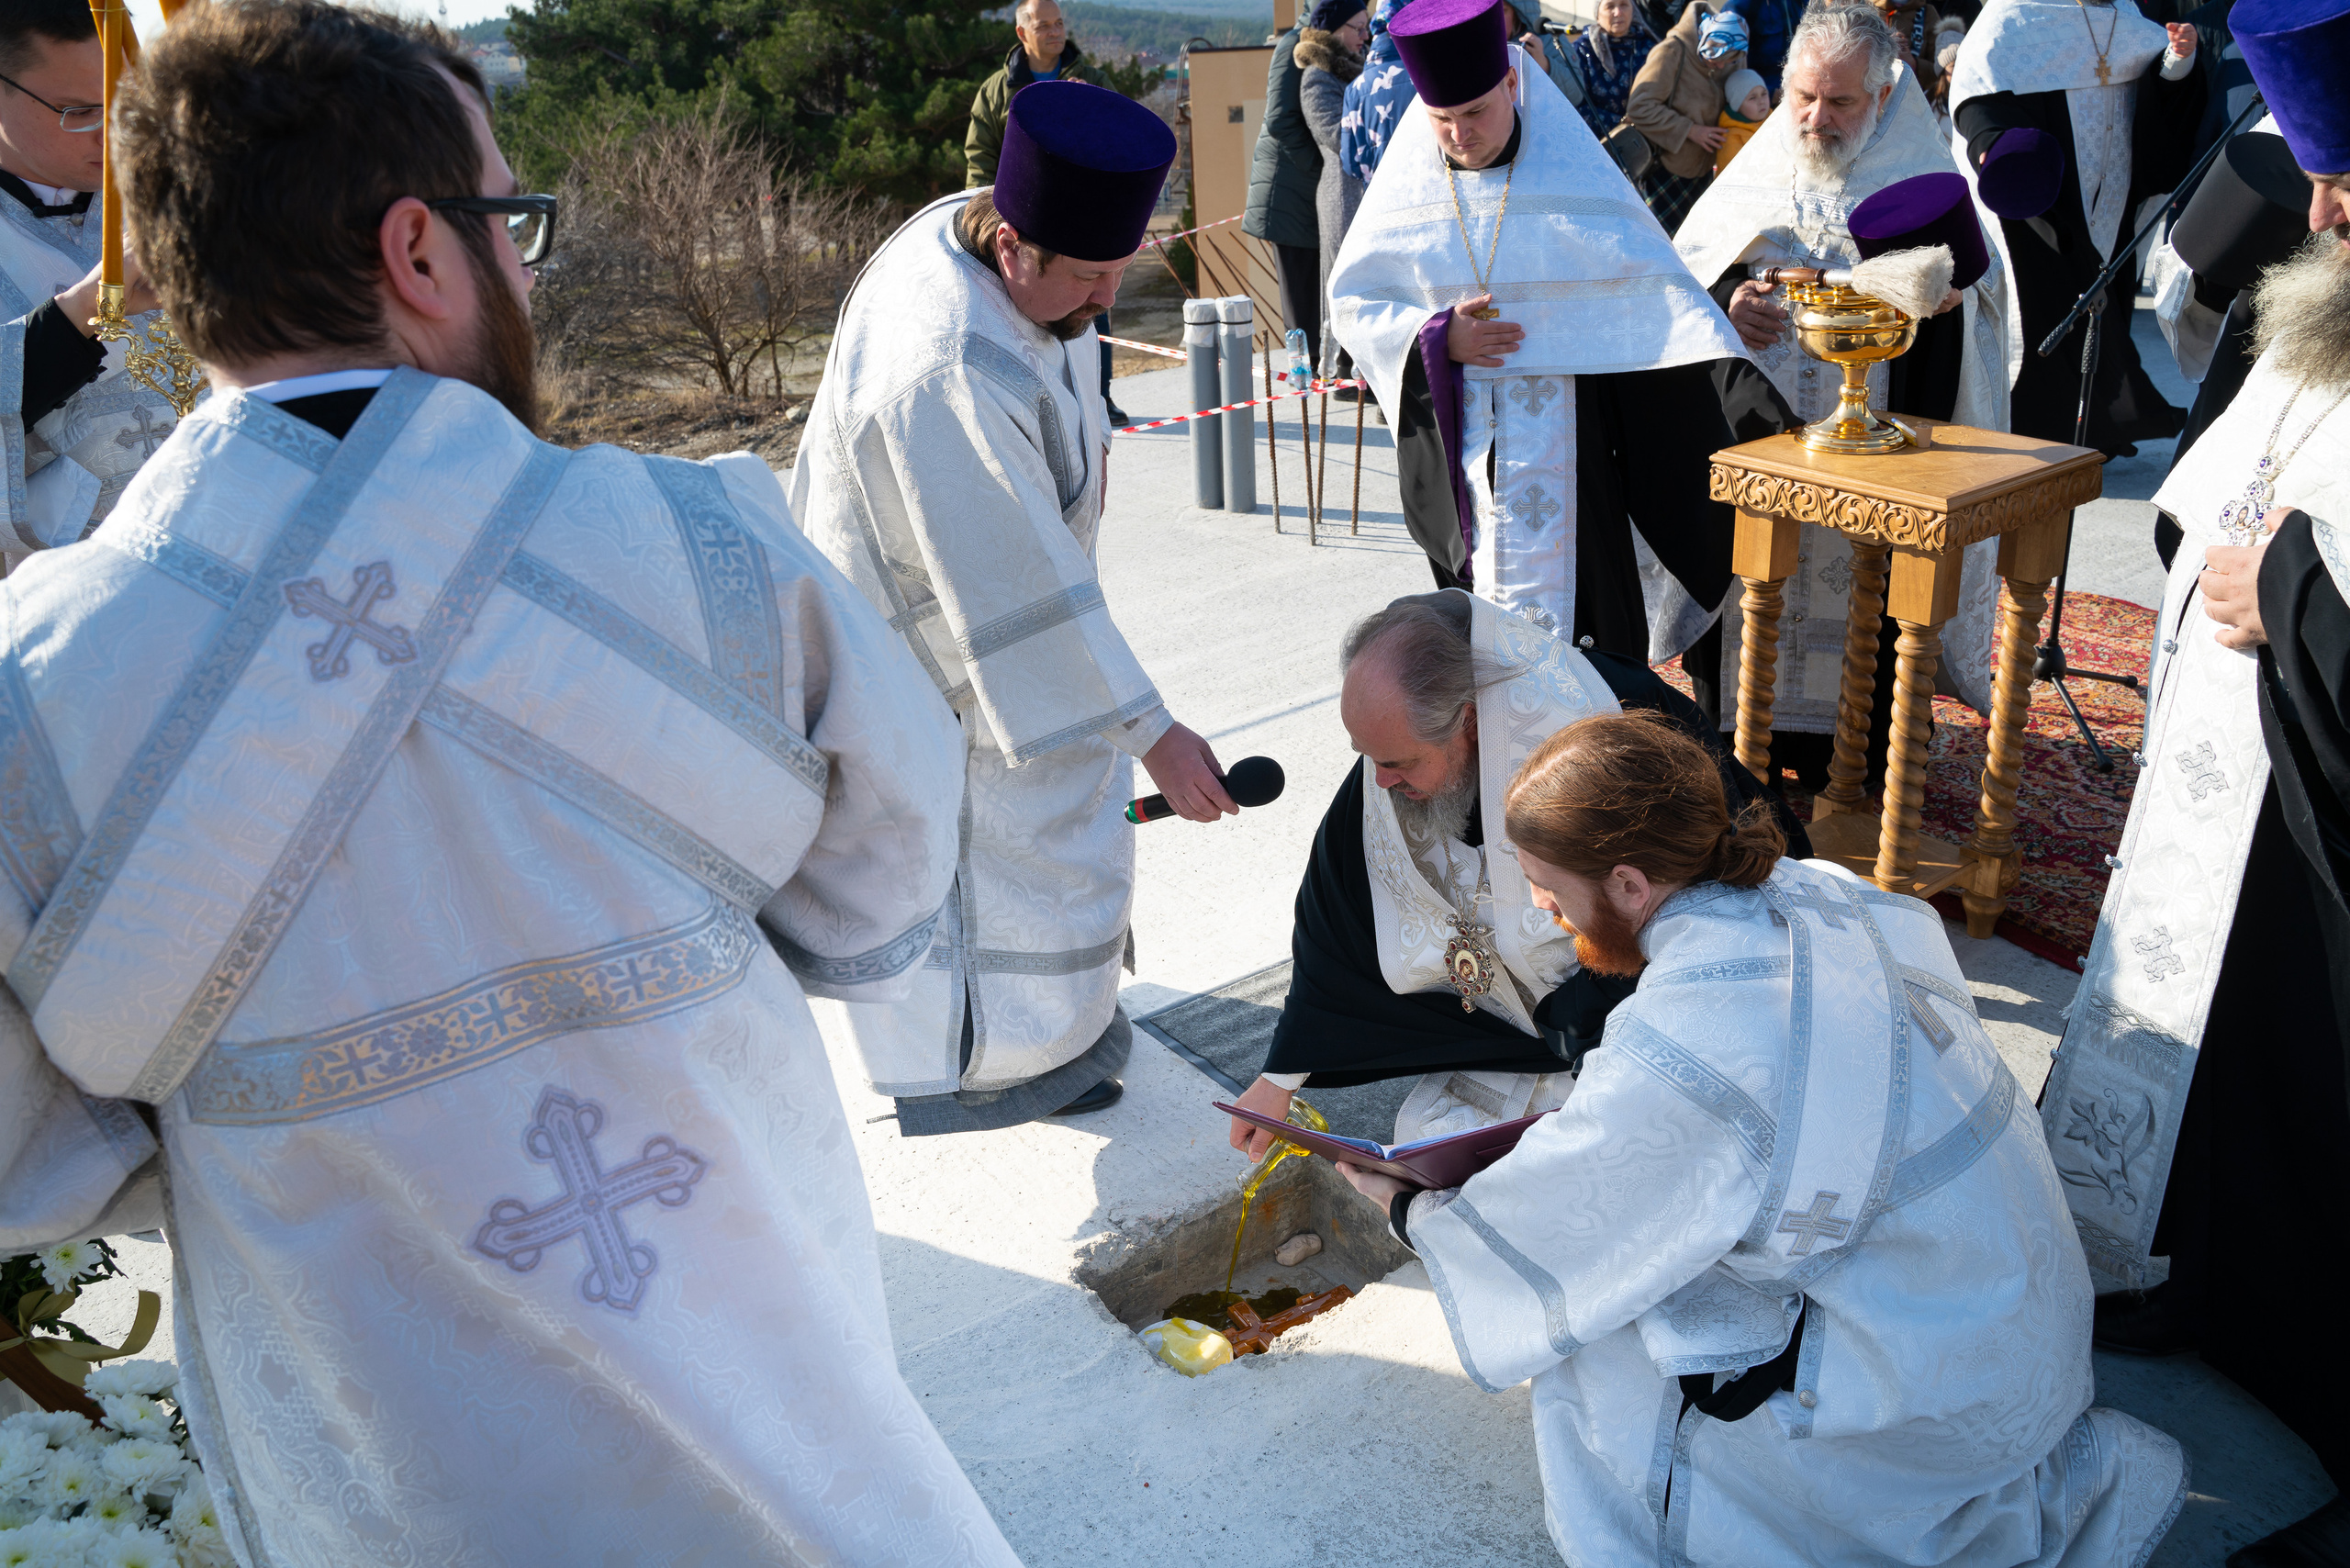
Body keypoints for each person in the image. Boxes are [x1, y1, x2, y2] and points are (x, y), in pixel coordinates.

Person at [0, 3, 1018, 1561]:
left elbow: (29, 1150)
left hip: (392, 1475)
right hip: (771, 1391)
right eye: (509, 223)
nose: (526, 270)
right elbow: (884, 885)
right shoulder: (702, 543)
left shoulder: (34, 681)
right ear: (420, 251)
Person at [1332, 707, 2188, 1567]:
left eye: (1547, 883)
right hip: (2016, 1334)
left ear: (1629, 885)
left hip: (1920, 1413)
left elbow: (1563, 1228)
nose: (1543, 907)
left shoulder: (1689, 1033)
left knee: (1591, 1328)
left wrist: (1419, 1214)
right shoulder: (1836, 891)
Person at [2049, 3, 2350, 1558]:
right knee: (2231, 1054)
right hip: (2250, 783)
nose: (2317, 216)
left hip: (2331, 810)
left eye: (2347, 193)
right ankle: (2219, 1291)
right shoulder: (2329, 293)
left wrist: (2287, 591)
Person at [793, 82, 1236, 1136]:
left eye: (1118, 264)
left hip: (1003, 609)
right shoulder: (945, 364)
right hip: (927, 653)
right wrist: (1152, 731)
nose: (1107, 297)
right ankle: (982, 1069)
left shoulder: (1016, 247)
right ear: (1012, 251)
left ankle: (1062, 1036)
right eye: (1088, 275)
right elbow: (1014, 584)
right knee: (990, 858)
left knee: (1055, 823)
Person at [1225, 590, 1808, 1158]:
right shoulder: (1399, 747)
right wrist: (1282, 1074)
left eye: (1398, 762)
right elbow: (1336, 907)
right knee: (1429, 1150)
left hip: (1631, 1009)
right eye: (1367, 757)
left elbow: (1701, 898)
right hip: (1506, 1025)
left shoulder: (1611, 720)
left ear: (1469, 721)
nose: (1378, 782)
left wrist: (1587, 1016)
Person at [1326, 0, 1785, 711]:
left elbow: (1659, 303)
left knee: (1593, 665)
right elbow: (1355, 303)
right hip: (1468, 482)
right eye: (1441, 119)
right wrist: (1440, 338)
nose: (1460, 134)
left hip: (1579, 476)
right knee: (1472, 664)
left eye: (1475, 112)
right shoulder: (1412, 183)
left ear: (1512, 84)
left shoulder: (1577, 178)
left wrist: (1752, 407)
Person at [1671, 3, 2009, 785]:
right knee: (1750, 598)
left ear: (1884, 98)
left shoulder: (1923, 174)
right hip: (1763, 451)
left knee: (1873, 611)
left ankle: (1853, 756)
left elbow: (1980, 312)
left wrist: (1940, 304)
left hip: (1880, 460)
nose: (1817, 119)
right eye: (1805, 99)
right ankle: (1739, 741)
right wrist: (1729, 299)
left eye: (1842, 102)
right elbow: (1687, 277)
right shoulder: (1760, 169)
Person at [1948, 0, 2205, 454]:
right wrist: (1991, 144)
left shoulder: (2123, 15)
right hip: (2046, 200)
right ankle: (2034, 438)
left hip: (2115, 192)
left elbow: (2160, 91)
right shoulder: (2012, 17)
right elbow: (1977, 94)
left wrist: (2177, 63)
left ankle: (2094, 431)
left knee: (2104, 305)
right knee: (2043, 309)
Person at [0, 0, 180, 571]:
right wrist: (83, 312)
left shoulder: (183, 198)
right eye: (78, 111)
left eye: (126, 105)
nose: (113, 133)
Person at [966, 0, 1126, 427]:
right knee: (1025, 311)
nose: (1056, 32)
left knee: (1094, 306)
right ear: (1023, 33)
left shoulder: (1092, 80)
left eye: (1060, 24)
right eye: (1044, 25)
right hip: (1023, 226)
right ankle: (1028, 404)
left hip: (1086, 220)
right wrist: (986, 213)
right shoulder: (997, 90)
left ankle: (1099, 397)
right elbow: (980, 157)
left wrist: (1087, 106)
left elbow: (1119, 137)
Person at [1244, 11, 1325, 368]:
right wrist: (1322, 169)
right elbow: (1279, 119)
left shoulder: (1328, 43)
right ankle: (1305, 380)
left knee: (1316, 299)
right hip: (1289, 193)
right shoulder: (1293, 43)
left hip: (1308, 194)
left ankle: (1317, 373)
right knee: (1301, 304)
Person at [1298, 0, 1369, 391]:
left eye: (1366, 27)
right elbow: (1336, 136)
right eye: (1357, 28)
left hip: (1363, 192)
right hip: (1342, 195)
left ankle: (1362, 366)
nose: (1364, 36)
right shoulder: (1317, 76)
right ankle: (1342, 370)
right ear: (1334, 31)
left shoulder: (1362, 72)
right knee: (1343, 283)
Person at [1628, 4, 1748, 230]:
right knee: (1660, 247)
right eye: (1716, 59)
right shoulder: (1672, 51)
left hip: (1706, 172)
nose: (1722, 66)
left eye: (1729, 60)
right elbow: (1639, 106)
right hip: (1664, 171)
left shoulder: (1734, 52)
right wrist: (1691, 130)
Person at [1339, 0, 1423, 184]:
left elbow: (1350, 163)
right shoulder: (1427, 75)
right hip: (1425, 191)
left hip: (1377, 201)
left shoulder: (1354, 89)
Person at [1566, 0, 1660, 140]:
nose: (1618, 12)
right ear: (1597, 14)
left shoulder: (1650, 46)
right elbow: (1575, 106)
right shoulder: (1582, 50)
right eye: (1610, 6)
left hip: (1649, 140)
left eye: (1624, 5)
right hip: (1600, 144)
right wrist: (1621, 124)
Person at [1726, 0, 1805, 92]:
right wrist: (1768, 93)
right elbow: (1731, 68)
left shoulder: (1802, 2)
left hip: (1801, 87)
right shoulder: (1738, 6)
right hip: (1762, 96)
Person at [1712, 64, 1771, 167]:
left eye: (1764, 94)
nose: (1761, 102)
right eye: (1752, 98)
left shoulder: (1775, 120)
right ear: (1737, 106)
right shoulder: (1732, 140)